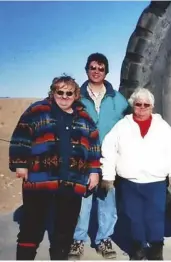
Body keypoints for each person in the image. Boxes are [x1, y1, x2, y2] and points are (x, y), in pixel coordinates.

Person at [9, 75, 101, 260]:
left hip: (72, 182)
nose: (64, 96)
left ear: (76, 95)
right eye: (60, 92)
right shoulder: (37, 110)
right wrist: (20, 164)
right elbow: (21, 135)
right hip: (39, 180)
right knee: (31, 228)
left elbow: (94, 146)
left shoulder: (84, 117)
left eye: (69, 93)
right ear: (53, 92)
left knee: (64, 232)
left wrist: (94, 171)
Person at [100, 87, 171, 260]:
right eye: (138, 104)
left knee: (155, 216)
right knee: (134, 217)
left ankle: (155, 248)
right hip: (129, 181)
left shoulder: (161, 126)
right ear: (133, 105)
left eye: (147, 105)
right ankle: (137, 247)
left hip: (155, 182)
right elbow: (108, 149)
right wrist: (108, 176)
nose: (142, 108)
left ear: (152, 106)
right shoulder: (122, 125)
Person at [69, 53, 129, 259]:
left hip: (107, 161)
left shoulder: (118, 99)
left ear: (106, 71)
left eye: (100, 68)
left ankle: (104, 239)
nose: (96, 71)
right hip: (83, 158)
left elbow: (129, 123)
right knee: (82, 202)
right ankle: (78, 240)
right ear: (87, 69)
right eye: (92, 67)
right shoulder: (76, 98)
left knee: (107, 201)